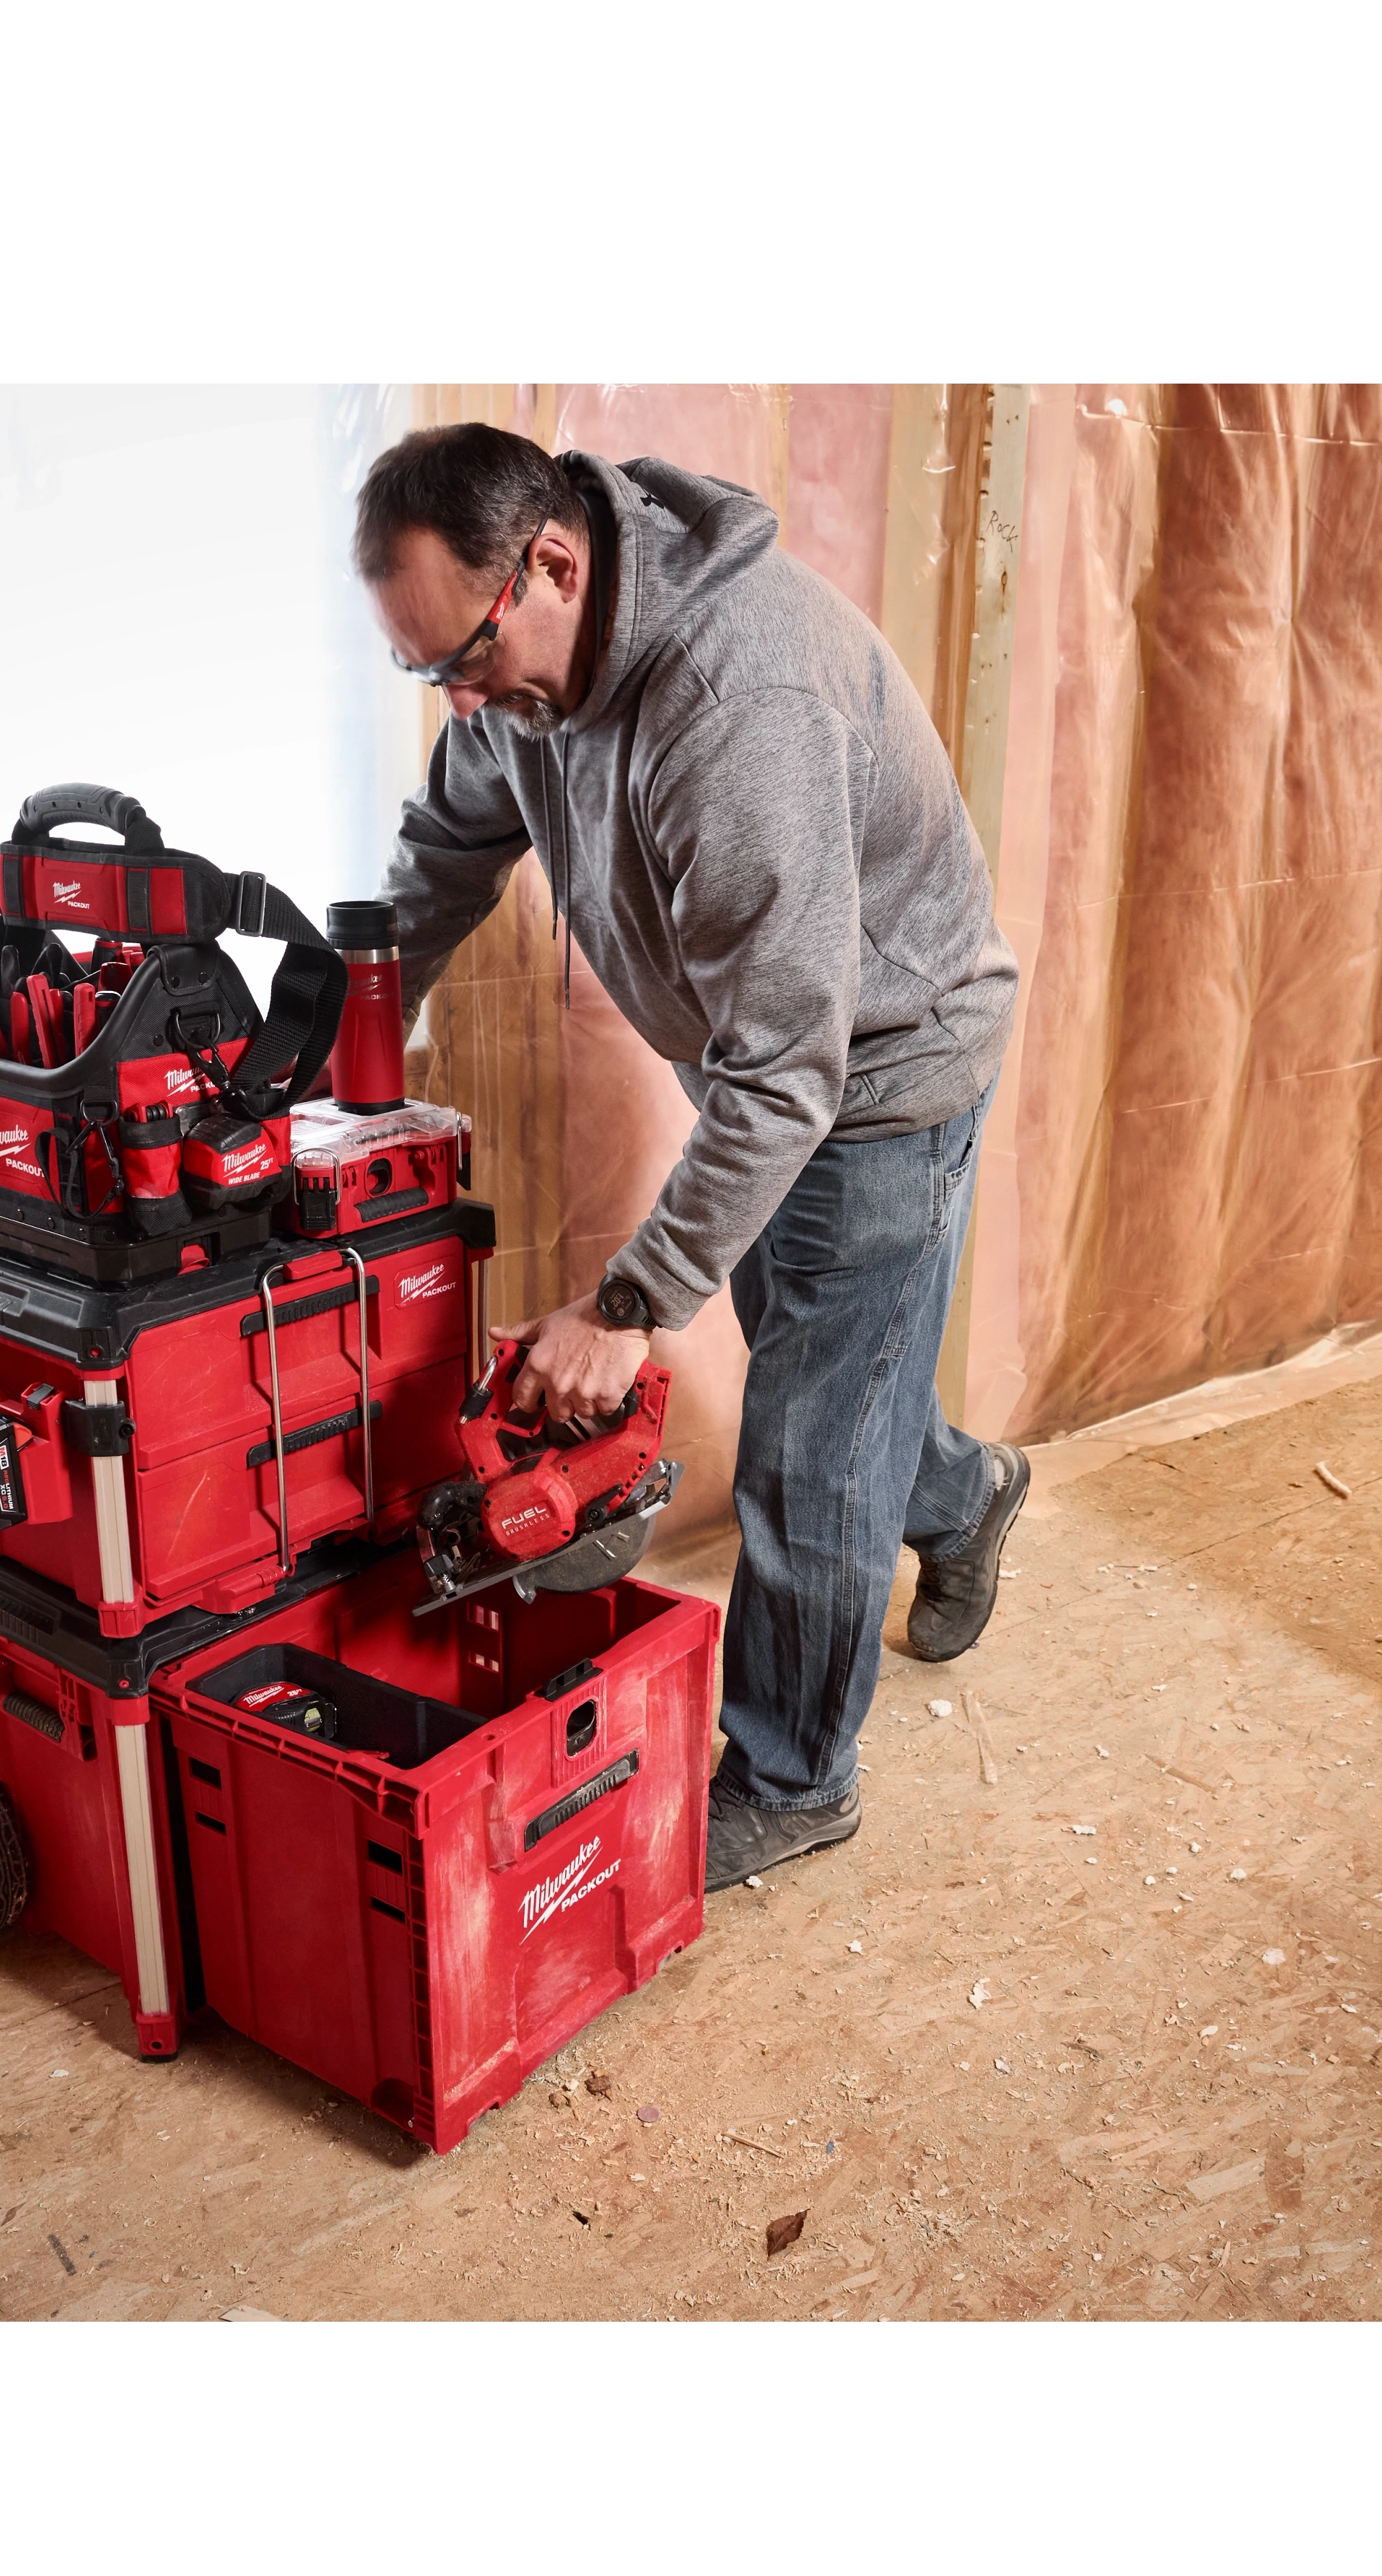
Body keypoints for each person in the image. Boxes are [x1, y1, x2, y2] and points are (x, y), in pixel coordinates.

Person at [355, 423, 1027, 1890]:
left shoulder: (740, 702)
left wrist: (626, 1303)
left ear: (551, 560)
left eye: (462, 655)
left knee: (802, 1445)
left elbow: (794, 1063)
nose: (458, 700)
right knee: (829, 1379)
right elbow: (452, 841)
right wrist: (345, 1026)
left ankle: (792, 1777)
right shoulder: (518, 678)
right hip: (767, 1069)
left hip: (878, 1073)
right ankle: (962, 1493)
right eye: (427, 675)